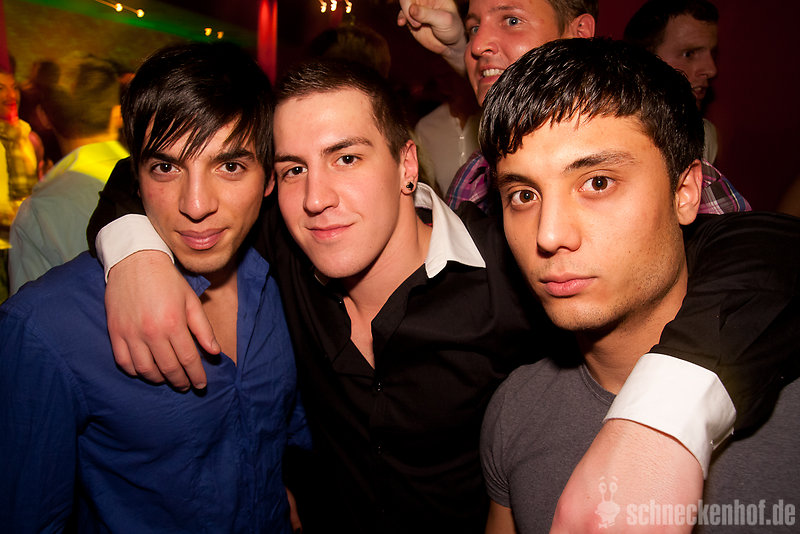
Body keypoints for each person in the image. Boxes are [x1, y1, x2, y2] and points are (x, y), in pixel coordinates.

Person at [89, 57, 792, 532]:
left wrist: (667, 415)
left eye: (346, 157)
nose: (317, 197)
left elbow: (762, 249)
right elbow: (154, 175)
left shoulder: (518, 261)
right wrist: (134, 252)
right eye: (294, 168)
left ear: (406, 164)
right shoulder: (281, 245)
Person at [478, 38, 800, 533]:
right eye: (523, 194)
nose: (549, 235)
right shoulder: (515, 409)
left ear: (685, 192)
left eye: (598, 183)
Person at [0, 42, 310, 532]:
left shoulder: (282, 281)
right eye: (166, 167)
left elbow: (284, 432)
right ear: (137, 176)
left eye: (230, 166)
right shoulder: (46, 328)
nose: (196, 204)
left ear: (268, 179)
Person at [397, 0, 748, 215]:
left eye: (511, 20)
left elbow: (744, 282)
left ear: (579, 33)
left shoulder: (653, 159)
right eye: (474, 28)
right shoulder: (474, 179)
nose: (477, 45)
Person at [9, 55, 127, 294]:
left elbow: (29, 309)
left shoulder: (39, 210)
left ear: (43, 117)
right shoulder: (161, 180)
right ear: (118, 114)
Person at [625, 0, 721, 163]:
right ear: (645, 61)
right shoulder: (608, 135)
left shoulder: (706, 138)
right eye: (689, 54)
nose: (711, 70)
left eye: (712, 54)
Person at [0, 68, 44, 221]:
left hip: (26, 228)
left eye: (14, 87)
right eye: (1, 88)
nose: (11, 95)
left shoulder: (29, 137)